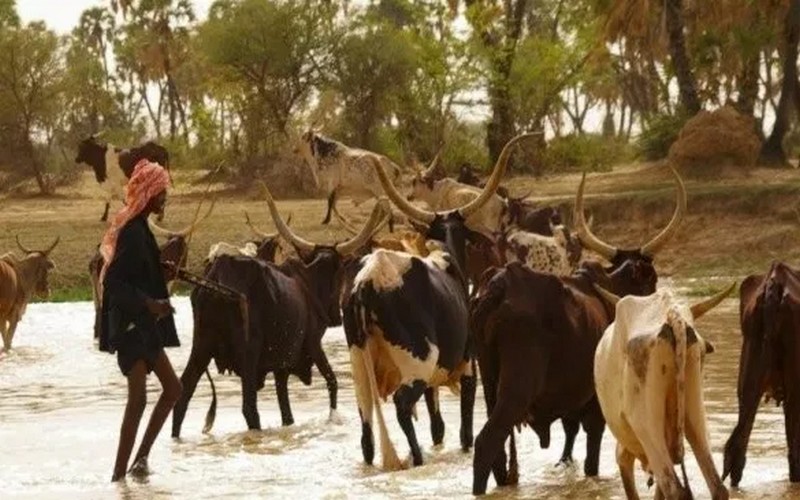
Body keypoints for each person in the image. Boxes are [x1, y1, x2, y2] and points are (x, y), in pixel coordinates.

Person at [98, 160, 182, 482]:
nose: (165, 198)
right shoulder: (133, 232)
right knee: (139, 399)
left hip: (143, 327)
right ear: (149, 194)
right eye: (162, 192)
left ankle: (139, 462)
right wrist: (150, 303)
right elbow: (114, 283)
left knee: (173, 389)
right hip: (132, 327)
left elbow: (138, 271)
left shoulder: (141, 229)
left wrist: (161, 272)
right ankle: (118, 477)